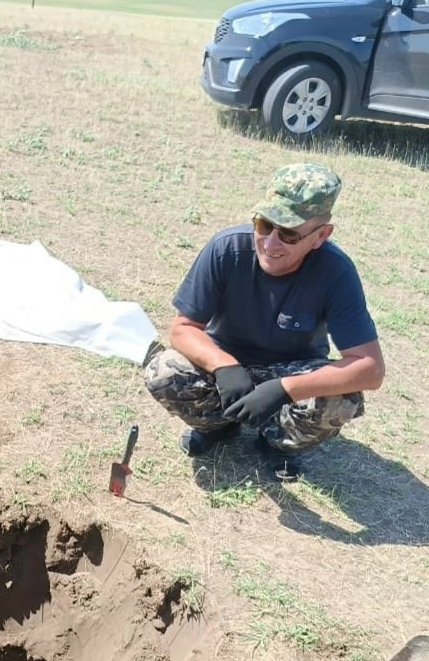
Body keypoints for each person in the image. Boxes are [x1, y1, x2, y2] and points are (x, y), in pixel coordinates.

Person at [144, 163, 384, 480]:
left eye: (288, 234)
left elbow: (370, 368)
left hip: (291, 370)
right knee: (163, 371)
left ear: (320, 236)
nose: (270, 244)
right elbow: (182, 328)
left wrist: (284, 389)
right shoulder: (226, 249)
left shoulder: (336, 273)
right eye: (264, 224)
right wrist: (223, 366)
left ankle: (277, 443)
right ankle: (220, 425)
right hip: (227, 368)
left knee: (342, 398)